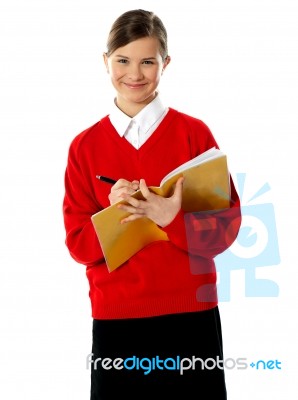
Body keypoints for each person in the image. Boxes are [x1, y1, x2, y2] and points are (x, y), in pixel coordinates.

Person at [63, 9, 241, 400]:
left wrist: (171, 219)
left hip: (191, 315)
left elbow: (225, 232)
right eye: (123, 60)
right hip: (117, 319)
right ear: (105, 61)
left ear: (166, 63)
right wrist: (112, 214)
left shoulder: (195, 134)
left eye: (148, 61)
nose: (135, 74)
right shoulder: (84, 147)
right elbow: (79, 246)